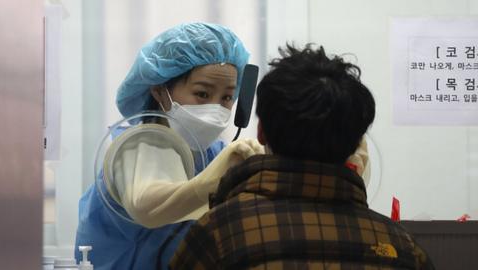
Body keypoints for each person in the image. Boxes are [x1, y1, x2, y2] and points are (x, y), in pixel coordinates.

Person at [169, 44, 435, 269]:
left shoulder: (218, 233)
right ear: (357, 143)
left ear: (261, 132)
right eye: (202, 94)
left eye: (226, 97)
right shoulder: (402, 248)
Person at [74, 22, 264, 270]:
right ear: (160, 92)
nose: (217, 108)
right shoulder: (139, 145)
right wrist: (213, 181)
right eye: (203, 94)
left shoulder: (213, 155)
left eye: (227, 98)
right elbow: (149, 207)